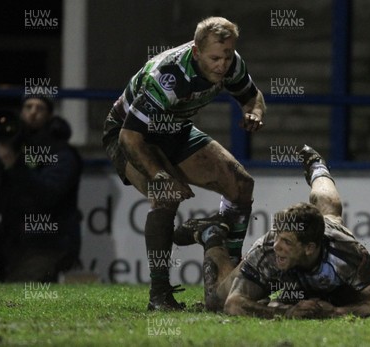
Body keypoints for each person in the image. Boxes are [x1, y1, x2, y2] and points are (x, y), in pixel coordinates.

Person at [174, 145, 370, 318]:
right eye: (279, 240)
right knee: (214, 301)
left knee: (332, 216)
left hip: (343, 284)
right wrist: (286, 314)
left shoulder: (347, 253)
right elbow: (234, 305)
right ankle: (213, 235)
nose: (279, 249)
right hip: (303, 284)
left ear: (312, 248)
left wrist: (337, 313)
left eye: (288, 243)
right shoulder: (269, 251)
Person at [101, 17, 266, 310]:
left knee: (241, 185)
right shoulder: (168, 75)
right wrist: (159, 175)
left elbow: (252, 97)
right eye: (215, 58)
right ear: (196, 51)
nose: (222, 65)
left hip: (175, 128)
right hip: (128, 134)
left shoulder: (231, 62)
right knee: (167, 195)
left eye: (227, 56)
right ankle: (159, 295)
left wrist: (254, 112)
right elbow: (130, 135)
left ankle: (230, 278)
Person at [0, 96, 82, 282]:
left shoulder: (61, 153)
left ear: (50, 115)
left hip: (49, 242)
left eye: (39, 108)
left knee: (21, 290)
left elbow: (48, 194)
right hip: (10, 239)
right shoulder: (12, 147)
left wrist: (15, 165)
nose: (33, 112)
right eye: (28, 106)